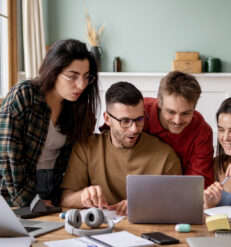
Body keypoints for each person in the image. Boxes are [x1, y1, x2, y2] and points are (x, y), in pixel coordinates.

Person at [0, 39, 100, 207]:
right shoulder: (25, 95)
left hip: (53, 190)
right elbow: (8, 157)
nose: (81, 85)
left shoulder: (79, 109)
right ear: (54, 72)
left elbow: (76, 160)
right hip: (14, 193)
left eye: (86, 77)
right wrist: (30, 202)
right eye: (72, 76)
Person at [60, 82, 182, 215]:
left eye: (139, 119)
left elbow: (178, 202)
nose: (134, 129)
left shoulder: (165, 155)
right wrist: (83, 196)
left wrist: (147, 203)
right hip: (100, 228)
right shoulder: (86, 148)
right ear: (107, 119)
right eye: (125, 121)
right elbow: (65, 199)